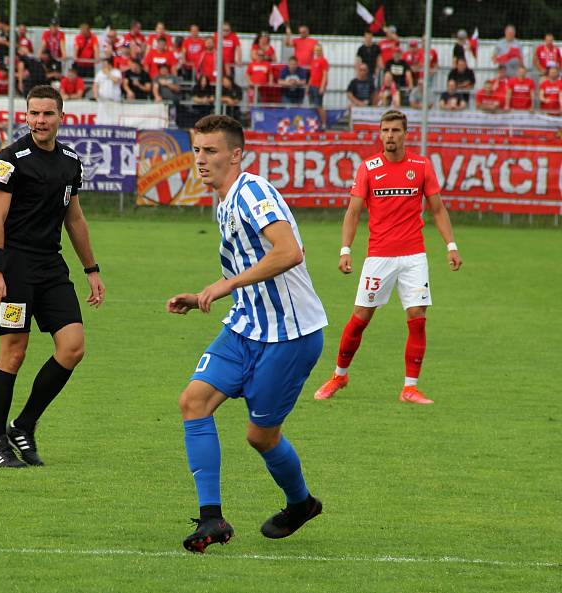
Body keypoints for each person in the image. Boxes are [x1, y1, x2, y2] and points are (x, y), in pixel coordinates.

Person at [168, 114, 326, 553]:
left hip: (289, 335)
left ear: (236, 154)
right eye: (197, 149)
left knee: (261, 437)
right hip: (247, 325)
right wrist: (207, 293)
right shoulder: (223, 201)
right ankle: (211, 520)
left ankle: (301, 504)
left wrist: (224, 286)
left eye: (211, 150)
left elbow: (290, 252)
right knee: (192, 402)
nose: (200, 159)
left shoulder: (252, 191)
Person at [0, 85, 105, 468]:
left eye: (47, 114)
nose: (39, 120)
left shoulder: (71, 161)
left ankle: (25, 424)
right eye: (33, 113)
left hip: (51, 268)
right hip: (15, 268)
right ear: (27, 116)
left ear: (61, 117)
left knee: (73, 347)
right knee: (13, 352)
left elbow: (75, 218)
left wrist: (92, 269)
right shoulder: (10, 160)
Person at [314, 110, 462, 405]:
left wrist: (451, 245)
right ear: (379, 134)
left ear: (406, 134)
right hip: (378, 257)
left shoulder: (421, 166)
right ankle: (339, 376)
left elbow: (437, 209)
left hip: (414, 256)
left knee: (418, 318)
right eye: (385, 130)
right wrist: (345, 250)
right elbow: (353, 212)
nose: (390, 136)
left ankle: (410, 388)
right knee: (359, 319)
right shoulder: (368, 167)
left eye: (395, 130)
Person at [284, 24, 316, 104]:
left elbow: (318, 52)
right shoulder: (296, 40)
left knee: (310, 89)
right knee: (298, 88)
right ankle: (298, 105)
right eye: (300, 32)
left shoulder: (313, 41)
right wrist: (288, 35)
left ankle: (311, 107)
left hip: (309, 69)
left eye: (304, 32)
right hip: (298, 69)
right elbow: (287, 44)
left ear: (308, 32)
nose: (302, 34)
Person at [308, 45, 329, 129]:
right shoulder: (313, 61)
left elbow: (325, 75)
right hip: (312, 86)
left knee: (319, 106)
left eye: (319, 50)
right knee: (312, 106)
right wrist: (308, 86)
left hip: (318, 86)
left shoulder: (323, 61)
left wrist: (322, 86)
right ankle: (314, 123)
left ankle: (324, 124)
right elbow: (311, 75)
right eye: (316, 50)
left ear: (321, 51)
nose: (317, 51)